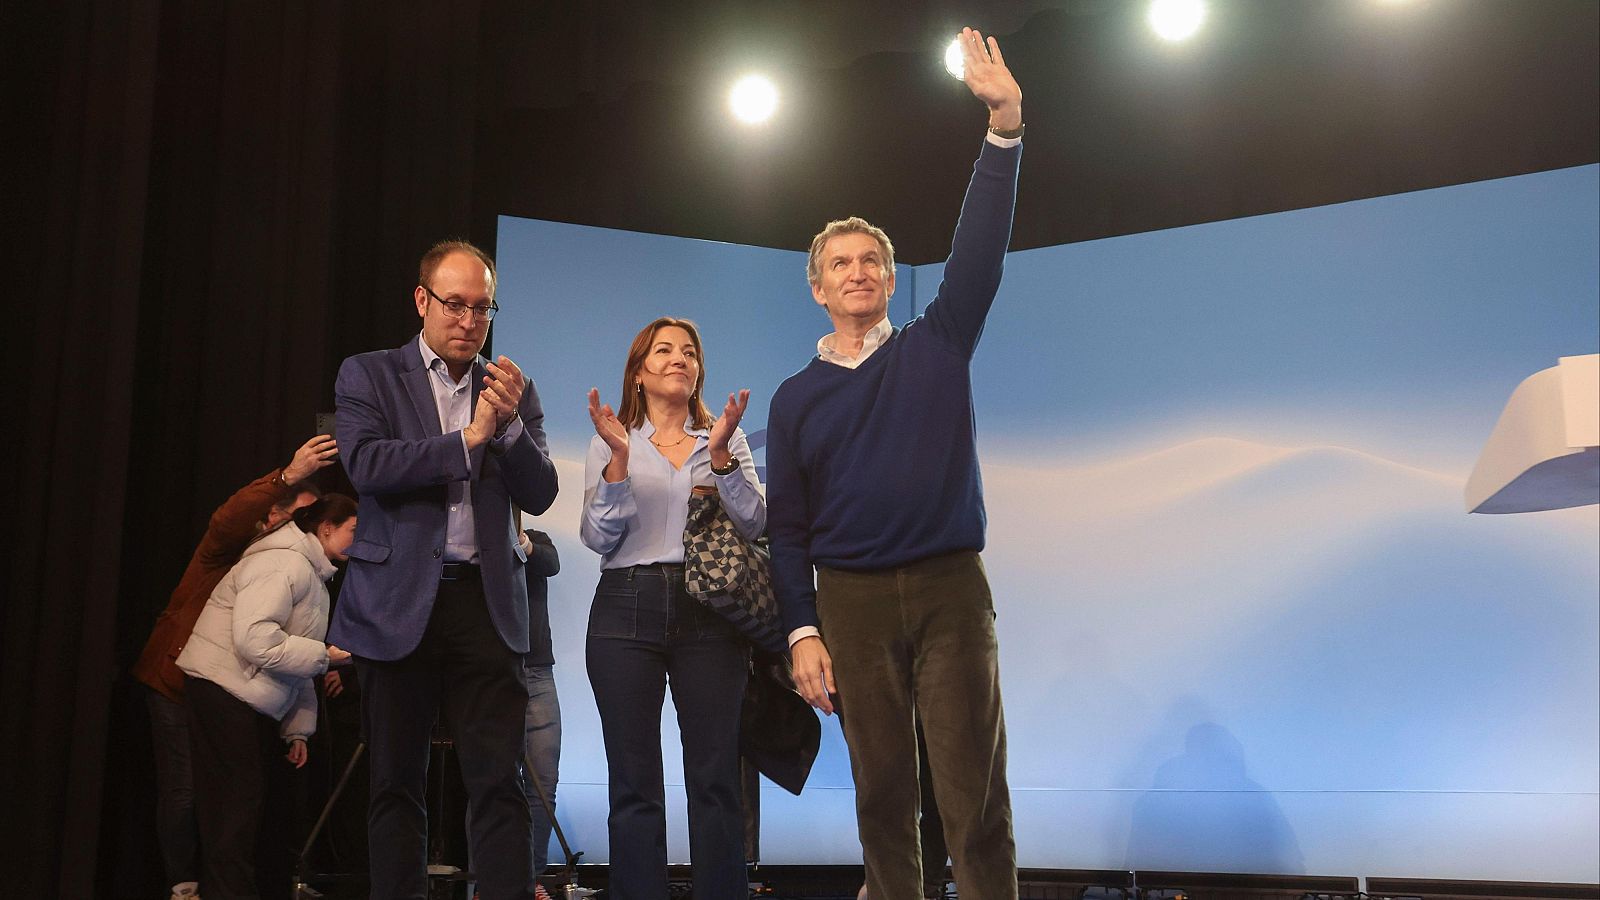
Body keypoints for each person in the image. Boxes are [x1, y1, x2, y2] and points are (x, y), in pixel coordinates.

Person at [765, 26, 1024, 900]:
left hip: (952, 587)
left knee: (972, 794)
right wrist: (801, 632)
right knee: (882, 794)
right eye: (839, 263)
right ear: (817, 286)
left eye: (871, 258)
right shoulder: (795, 398)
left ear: (888, 277)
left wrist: (1003, 131)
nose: (858, 270)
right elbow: (787, 528)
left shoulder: (937, 342)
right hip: (852, 599)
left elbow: (980, 254)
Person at [330, 239, 559, 900]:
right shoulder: (369, 374)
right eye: (454, 305)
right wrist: (468, 441)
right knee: (395, 783)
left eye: (482, 308)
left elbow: (539, 494)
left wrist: (507, 424)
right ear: (422, 301)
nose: (468, 321)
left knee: (498, 781)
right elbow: (367, 466)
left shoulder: (510, 387)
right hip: (397, 602)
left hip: (484, 606)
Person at [581, 316, 764, 899]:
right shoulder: (612, 439)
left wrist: (723, 460)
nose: (679, 359)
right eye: (664, 351)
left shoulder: (725, 438)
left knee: (714, 779)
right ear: (639, 372)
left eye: (689, 352)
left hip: (707, 608)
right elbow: (595, 536)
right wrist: (616, 460)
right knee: (634, 781)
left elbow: (757, 521)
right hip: (624, 606)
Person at [132, 436, 337, 900]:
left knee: (237, 802)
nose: (301, 526)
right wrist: (287, 476)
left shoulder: (295, 567)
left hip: (233, 696)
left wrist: (301, 720)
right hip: (176, 684)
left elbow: (289, 641)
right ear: (271, 514)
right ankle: (184, 888)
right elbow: (229, 519)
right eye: (295, 513)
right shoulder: (226, 550)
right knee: (186, 795)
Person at [175, 493, 358, 900]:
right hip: (221, 689)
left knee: (253, 808)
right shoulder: (283, 563)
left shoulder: (314, 576)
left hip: (246, 696)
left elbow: (294, 656)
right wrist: (324, 657)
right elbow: (256, 641)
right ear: (326, 528)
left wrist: (298, 729)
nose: (357, 541)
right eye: (353, 530)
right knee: (234, 808)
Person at [518, 527, 562, 892]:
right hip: (491, 674)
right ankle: (488, 882)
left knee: (543, 785)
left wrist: (524, 543)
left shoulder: (534, 537)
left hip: (537, 672)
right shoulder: (472, 545)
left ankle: (530, 880)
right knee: (491, 784)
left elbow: (551, 563)